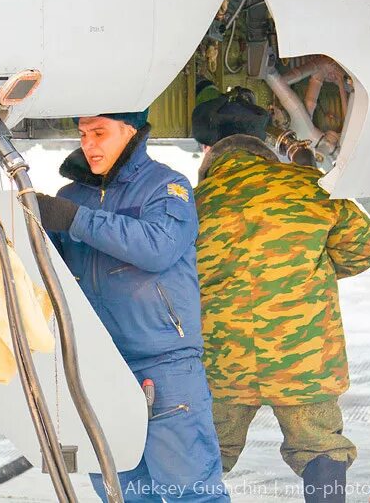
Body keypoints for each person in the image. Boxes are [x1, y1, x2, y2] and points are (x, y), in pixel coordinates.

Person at [192, 82, 370, 503]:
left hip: (224, 363)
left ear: (210, 153)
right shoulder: (309, 187)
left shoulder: (192, 203)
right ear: (262, 145)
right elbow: (366, 249)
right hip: (304, 354)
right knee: (320, 446)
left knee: (205, 452)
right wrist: (308, 274)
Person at [35, 110, 230, 502]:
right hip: (98, 368)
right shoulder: (71, 197)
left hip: (164, 367)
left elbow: (157, 247)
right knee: (121, 494)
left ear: (131, 131)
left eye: (99, 133)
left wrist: (75, 220)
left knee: (190, 494)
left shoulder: (167, 187)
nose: (88, 144)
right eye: (83, 134)